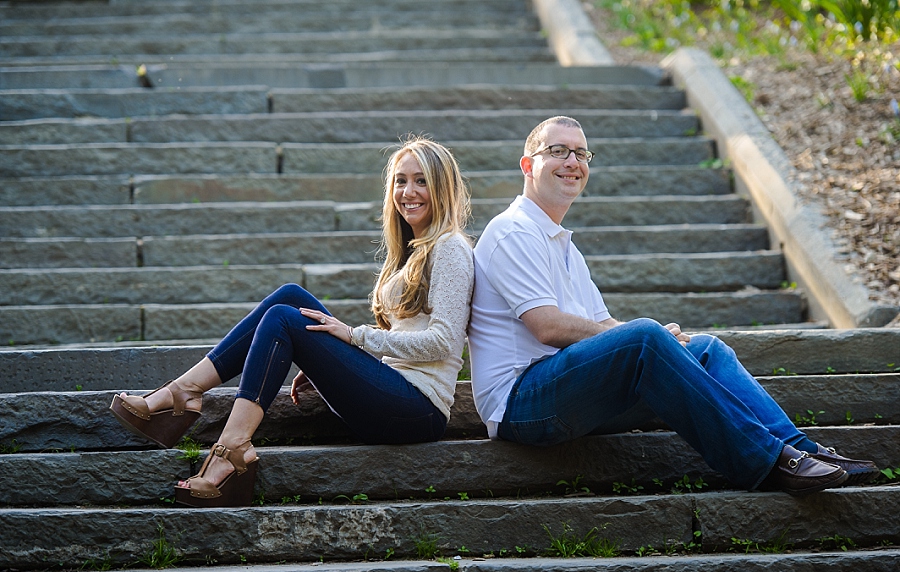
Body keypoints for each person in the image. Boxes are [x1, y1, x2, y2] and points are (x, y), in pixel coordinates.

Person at [466, 116, 878, 496]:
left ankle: (805, 451)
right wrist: (647, 338)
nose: (572, 161)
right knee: (645, 336)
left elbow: (602, 322)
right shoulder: (512, 231)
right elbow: (548, 327)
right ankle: (769, 462)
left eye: (581, 153)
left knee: (705, 350)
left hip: (567, 392)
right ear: (527, 165)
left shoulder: (563, 245)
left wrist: (664, 342)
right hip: (522, 404)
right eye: (558, 151)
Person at [110, 136, 474, 507]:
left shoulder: (450, 248)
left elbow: (443, 342)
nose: (408, 191)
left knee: (284, 319)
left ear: (442, 187)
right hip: (394, 391)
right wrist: (329, 360)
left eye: (421, 180)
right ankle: (184, 391)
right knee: (291, 298)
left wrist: (353, 338)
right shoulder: (413, 250)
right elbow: (406, 338)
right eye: (400, 180)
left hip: (418, 409)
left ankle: (232, 447)